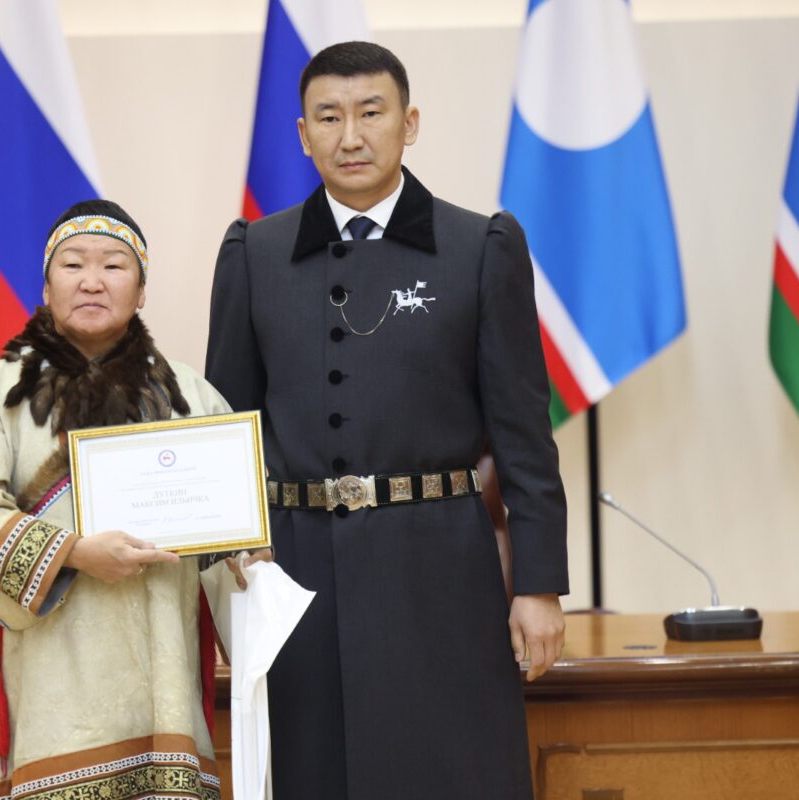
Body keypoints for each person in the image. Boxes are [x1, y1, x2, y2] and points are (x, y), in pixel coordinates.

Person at [205, 41, 569, 799]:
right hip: (294, 578)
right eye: (328, 118)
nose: (351, 136)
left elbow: (523, 435)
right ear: (302, 135)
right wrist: (232, 568)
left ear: (410, 123)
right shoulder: (254, 253)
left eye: (372, 113)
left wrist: (538, 585)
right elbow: (226, 431)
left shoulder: (480, 246)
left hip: (440, 569)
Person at [0, 200, 232, 800]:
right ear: (46, 286)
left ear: (141, 290)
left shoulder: (191, 395)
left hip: (164, 692)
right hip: (50, 691)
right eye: (73, 264)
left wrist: (253, 560)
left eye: (115, 266)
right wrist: (73, 552)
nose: (92, 280)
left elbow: (233, 539)